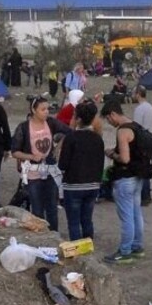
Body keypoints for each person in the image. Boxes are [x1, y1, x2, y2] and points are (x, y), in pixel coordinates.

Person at [100, 100, 146, 264]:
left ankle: (125, 251)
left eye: (108, 119)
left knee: (126, 216)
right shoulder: (136, 126)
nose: (109, 122)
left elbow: (125, 158)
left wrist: (112, 154)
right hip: (138, 176)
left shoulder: (122, 131)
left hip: (125, 179)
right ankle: (137, 246)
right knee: (136, 213)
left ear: (112, 114)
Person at [10, 96, 61, 229]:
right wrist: (31, 156)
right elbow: (15, 151)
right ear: (33, 110)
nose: (46, 112)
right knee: (37, 209)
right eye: (43, 109)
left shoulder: (51, 123)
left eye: (47, 109)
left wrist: (58, 147)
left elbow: (68, 132)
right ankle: (40, 236)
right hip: (33, 174)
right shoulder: (24, 127)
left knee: (52, 208)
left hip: (50, 172)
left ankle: (54, 235)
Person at [58, 100, 104, 240]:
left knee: (73, 222)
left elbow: (63, 165)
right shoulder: (98, 138)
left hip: (74, 185)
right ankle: (88, 245)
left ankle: (78, 251)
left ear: (78, 119)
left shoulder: (71, 138)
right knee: (87, 219)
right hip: (93, 185)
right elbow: (100, 163)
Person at [131, 86, 152, 206]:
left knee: (141, 168)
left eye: (133, 93)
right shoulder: (150, 107)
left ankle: (144, 195)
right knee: (146, 166)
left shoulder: (140, 109)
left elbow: (136, 127)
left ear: (138, 94)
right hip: (150, 138)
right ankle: (146, 194)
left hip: (142, 141)